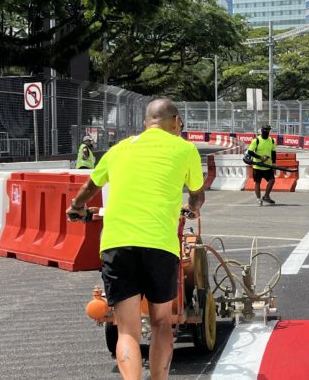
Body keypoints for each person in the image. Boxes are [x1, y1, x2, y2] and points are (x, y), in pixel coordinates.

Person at [66, 98, 205, 380]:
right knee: (162, 323)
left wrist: (76, 208)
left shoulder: (119, 150)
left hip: (118, 244)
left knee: (127, 329)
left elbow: (90, 187)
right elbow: (196, 193)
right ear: (176, 121)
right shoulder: (185, 148)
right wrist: (193, 207)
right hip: (159, 245)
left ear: (146, 124)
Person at [247, 124, 277, 206]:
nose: (267, 131)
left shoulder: (272, 140)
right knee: (257, 182)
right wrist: (260, 158)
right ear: (262, 130)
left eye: (268, 130)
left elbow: (273, 152)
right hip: (257, 166)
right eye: (265, 130)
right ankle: (258, 199)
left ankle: (266, 196)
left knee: (272, 180)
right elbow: (250, 152)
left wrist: (274, 163)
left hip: (268, 166)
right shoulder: (256, 140)